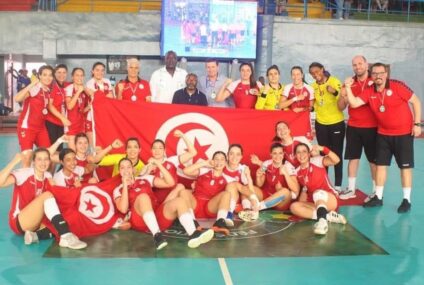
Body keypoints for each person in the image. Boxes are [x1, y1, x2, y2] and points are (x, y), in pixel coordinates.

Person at [344, 62, 422, 213]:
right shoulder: (369, 91)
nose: (378, 76)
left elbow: (416, 101)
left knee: (404, 168)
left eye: (381, 73)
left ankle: (406, 200)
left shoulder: (397, 86)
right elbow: (353, 103)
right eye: (375, 73)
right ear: (371, 75)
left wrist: (417, 123)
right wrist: (347, 87)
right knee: (381, 166)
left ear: (386, 74)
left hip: (403, 134)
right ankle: (378, 197)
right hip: (383, 134)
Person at [115, 158, 214, 249]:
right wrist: (124, 184)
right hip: (140, 221)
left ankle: (193, 234)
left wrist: (159, 164)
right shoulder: (118, 189)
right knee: (143, 197)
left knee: (180, 201)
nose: (126, 170)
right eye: (122, 168)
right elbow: (123, 209)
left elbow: (170, 183)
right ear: (119, 171)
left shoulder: (145, 179)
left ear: (132, 169)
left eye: (128, 167)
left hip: (157, 215)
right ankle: (157, 236)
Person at [0, 149, 87, 249]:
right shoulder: (24, 174)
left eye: (46, 159)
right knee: (47, 195)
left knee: (65, 218)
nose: (43, 163)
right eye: (39, 159)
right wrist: (14, 162)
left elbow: (59, 197)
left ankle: (35, 236)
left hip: (36, 223)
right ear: (34, 162)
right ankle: (65, 235)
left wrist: (77, 188)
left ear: (50, 162)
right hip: (19, 221)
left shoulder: (48, 176)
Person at [337, 56, 377, 200]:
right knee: (353, 158)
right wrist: (342, 96)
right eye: (354, 65)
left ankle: (375, 191)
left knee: (373, 160)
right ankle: (351, 189)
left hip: (372, 127)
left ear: (366, 64)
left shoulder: (375, 82)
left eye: (360, 64)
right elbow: (340, 107)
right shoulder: (349, 83)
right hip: (354, 126)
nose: (357, 67)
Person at [290, 143, 347, 235]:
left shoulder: (316, 161)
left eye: (304, 151)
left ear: (309, 154)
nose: (301, 155)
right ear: (295, 155)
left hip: (330, 199)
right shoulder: (297, 172)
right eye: (298, 152)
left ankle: (322, 223)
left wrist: (323, 148)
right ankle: (328, 217)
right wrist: (301, 206)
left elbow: (336, 160)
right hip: (315, 203)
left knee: (318, 193)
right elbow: (304, 191)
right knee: (294, 207)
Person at [309, 62, 345, 191]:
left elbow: (343, 99)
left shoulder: (334, 81)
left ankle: (338, 186)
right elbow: (313, 106)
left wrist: (335, 92)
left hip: (336, 123)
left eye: (317, 71)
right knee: (323, 154)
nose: (315, 75)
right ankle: (324, 183)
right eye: (312, 73)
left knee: (336, 154)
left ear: (322, 70)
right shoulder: (312, 87)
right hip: (321, 124)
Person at [179, 151, 233, 235]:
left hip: (210, 208)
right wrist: (204, 163)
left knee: (227, 194)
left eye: (222, 159)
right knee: (183, 192)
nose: (219, 162)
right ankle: (192, 222)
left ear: (226, 162)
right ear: (212, 161)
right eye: (216, 159)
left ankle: (219, 224)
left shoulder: (228, 179)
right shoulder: (204, 170)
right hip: (195, 205)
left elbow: (235, 192)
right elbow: (186, 171)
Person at [142, 129, 197, 204]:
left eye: (160, 148)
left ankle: (164, 207)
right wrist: (148, 170)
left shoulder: (172, 161)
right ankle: (160, 209)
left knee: (181, 187)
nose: (157, 151)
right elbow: (143, 186)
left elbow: (193, 153)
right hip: (156, 200)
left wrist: (183, 136)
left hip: (173, 198)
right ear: (151, 150)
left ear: (164, 150)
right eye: (154, 148)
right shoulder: (147, 167)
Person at [15, 65, 54, 167]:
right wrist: (31, 84)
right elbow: (17, 98)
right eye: (44, 75)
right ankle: (25, 182)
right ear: (39, 76)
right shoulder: (35, 88)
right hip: (27, 128)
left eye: (50, 75)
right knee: (27, 158)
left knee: (48, 155)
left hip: (41, 128)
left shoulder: (47, 90)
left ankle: (42, 180)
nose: (48, 77)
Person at [85, 62, 113, 147]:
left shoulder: (107, 81)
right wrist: (105, 96)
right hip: (92, 115)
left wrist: (103, 96)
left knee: (104, 140)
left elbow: (112, 97)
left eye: (102, 70)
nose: (100, 72)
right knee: (92, 143)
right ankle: (92, 158)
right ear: (92, 71)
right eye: (97, 70)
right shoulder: (89, 83)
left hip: (105, 115)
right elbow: (96, 98)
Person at [45, 64, 70, 151]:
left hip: (61, 123)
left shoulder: (66, 85)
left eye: (64, 72)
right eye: (59, 72)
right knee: (53, 148)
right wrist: (62, 118)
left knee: (60, 148)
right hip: (51, 122)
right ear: (54, 74)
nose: (61, 75)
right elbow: (50, 105)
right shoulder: (52, 86)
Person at [65, 68, 90, 151]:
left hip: (81, 124)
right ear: (72, 77)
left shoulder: (84, 90)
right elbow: (69, 106)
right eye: (77, 75)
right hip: (71, 125)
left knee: (81, 152)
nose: (79, 77)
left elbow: (81, 110)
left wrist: (89, 106)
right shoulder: (69, 88)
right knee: (72, 152)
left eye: (81, 75)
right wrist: (78, 92)